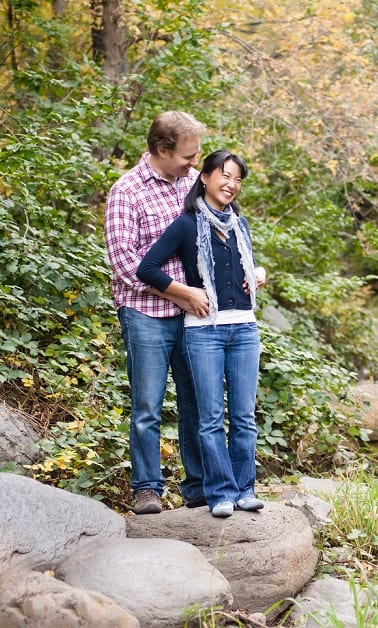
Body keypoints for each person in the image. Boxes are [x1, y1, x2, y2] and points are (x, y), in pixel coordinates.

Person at [137, 149, 267, 518]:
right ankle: (220, 492)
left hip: (244, 328)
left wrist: (257, 273)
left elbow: (240, 270)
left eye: (238, 179)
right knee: (209, 418)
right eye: (225, 175)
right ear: (205, 177)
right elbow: (147, 268)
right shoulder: (186, 224)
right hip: (203, 332)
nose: (232, 184)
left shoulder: (239, 225)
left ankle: (245, 489)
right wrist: (185, 292)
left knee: (243, 417)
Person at [104, 111, 209, 514]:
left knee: (195, 401)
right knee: (147, 406)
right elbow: (125, 264)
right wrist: (181, 293)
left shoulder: (190, 185)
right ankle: (147, 488)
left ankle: (197, 486)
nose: (193, 163)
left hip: (192, 314)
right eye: (187, 156)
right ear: (162, 150)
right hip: (145, 313)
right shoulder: (126, 192)